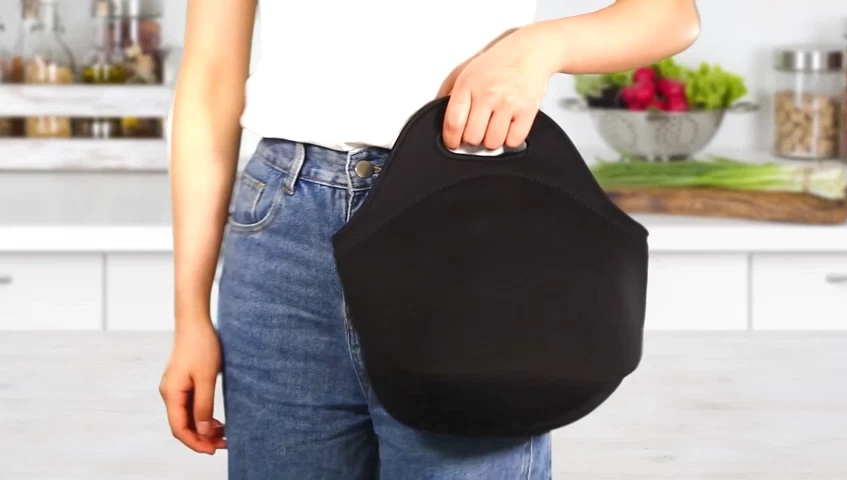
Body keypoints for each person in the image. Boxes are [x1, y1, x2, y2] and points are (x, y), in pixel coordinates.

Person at [159, 0, 700, 478]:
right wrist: (191, 317)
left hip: (466, 219)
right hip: (284, 228)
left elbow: (669, 14)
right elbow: (210, 77)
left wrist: (539, 46)